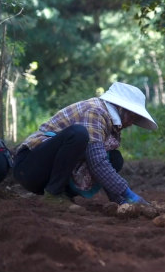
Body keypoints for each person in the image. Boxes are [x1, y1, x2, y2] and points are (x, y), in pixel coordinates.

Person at [13, 82, 157, 207]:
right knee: (78, 134)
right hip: (29, 168)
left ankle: (62, 194)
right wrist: (129, 194)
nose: (131, 123)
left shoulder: (110, 123)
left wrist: (120, 200)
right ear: (119, 108)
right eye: (131, 117)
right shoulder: (95, 111)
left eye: (135, 119)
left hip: (46, 173)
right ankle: (54, 194)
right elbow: (97, 163)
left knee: (114, 158)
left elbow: (101, 160)